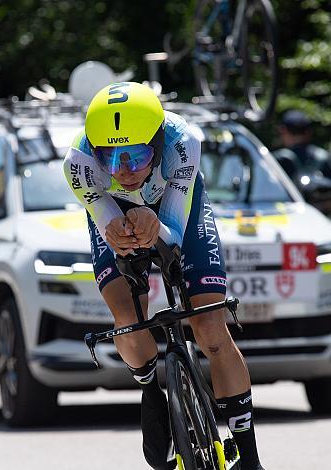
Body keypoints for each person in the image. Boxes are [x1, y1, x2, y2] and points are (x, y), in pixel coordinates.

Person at [64, 82, 264, 470]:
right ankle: (150, 389)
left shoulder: (182, 143)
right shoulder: (79, 164)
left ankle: (250, 457)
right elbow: (107, 223)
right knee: (128, 321)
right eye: (111, 158)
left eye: (136, 156)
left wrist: (155, 227)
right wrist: (121, 237)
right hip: (116, 210)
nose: (123, 171)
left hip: (176, 203)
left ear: (156, 143)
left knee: (209, 327)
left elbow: (172, 230)